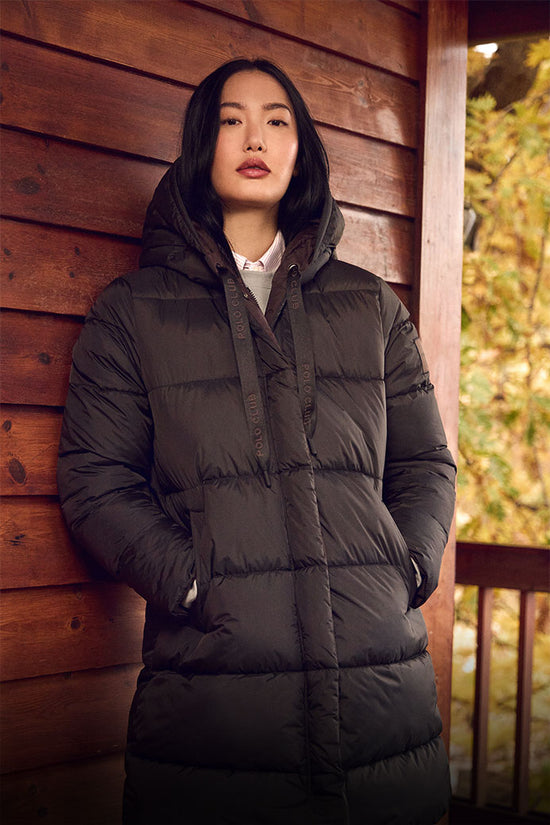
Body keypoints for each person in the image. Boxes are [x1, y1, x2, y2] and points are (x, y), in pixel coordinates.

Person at [57, 58, 457, 825]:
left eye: (278, 120)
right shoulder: (134, 312)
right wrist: (193, 581)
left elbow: (425, 463)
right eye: (231, 119)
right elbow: (96, 481)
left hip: (381, 695)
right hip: (215, 701)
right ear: (199, 145)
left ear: (301, 148)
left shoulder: (370, 307)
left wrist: (405, 565)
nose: (255, 138)